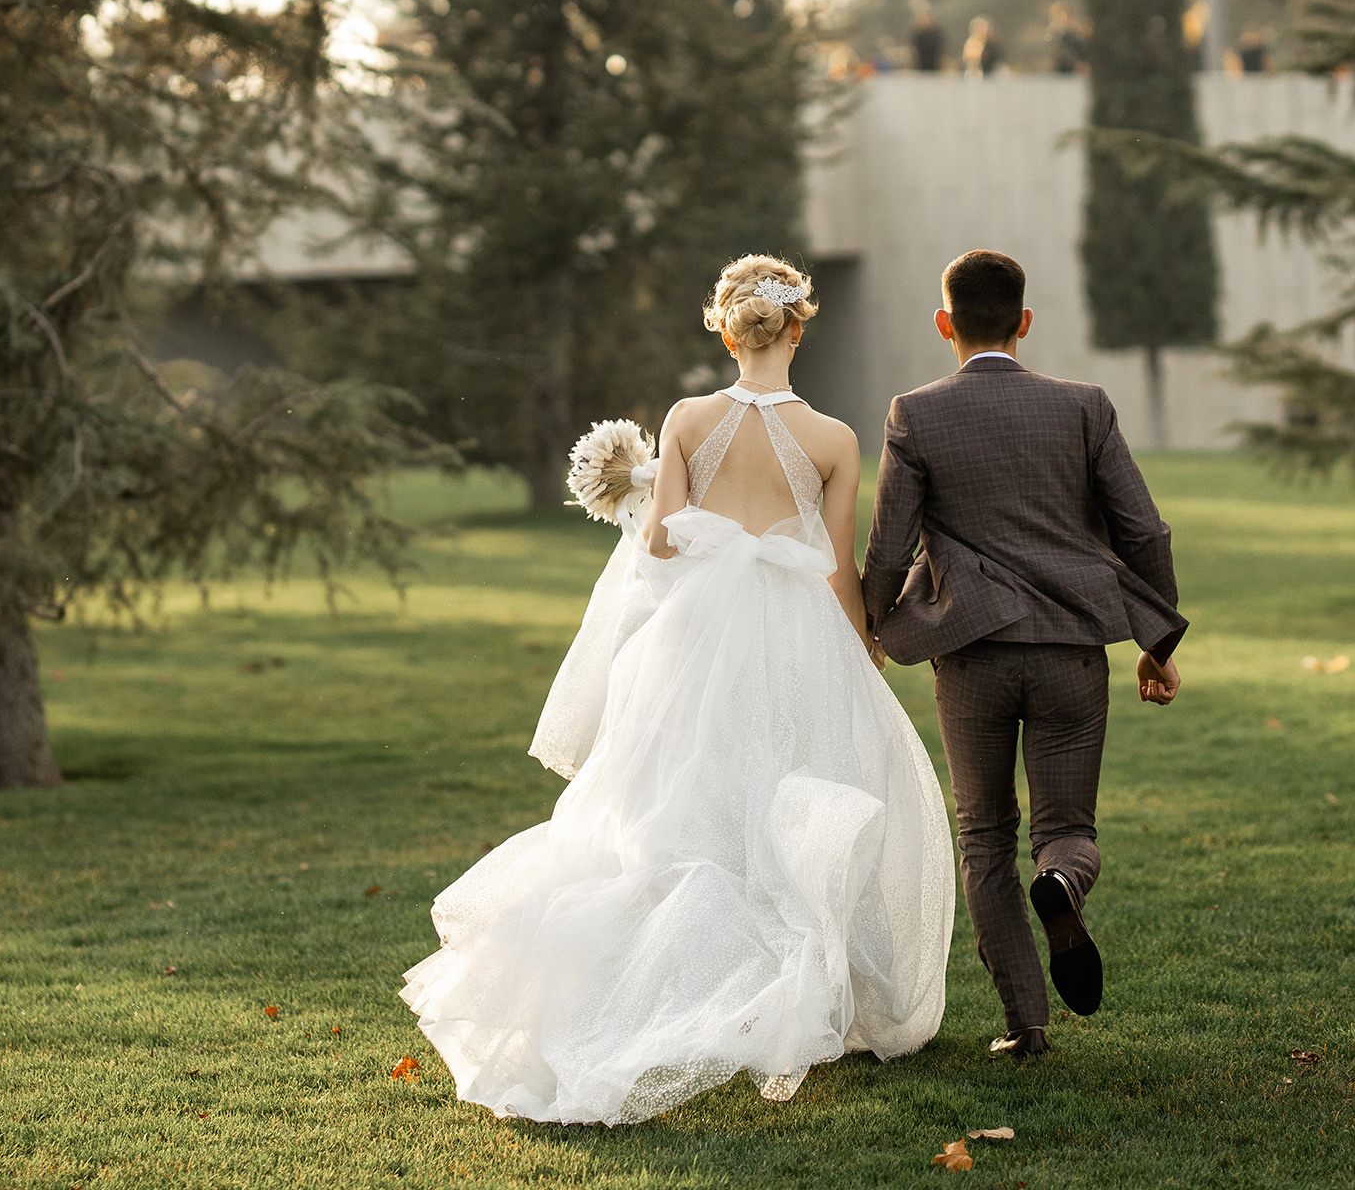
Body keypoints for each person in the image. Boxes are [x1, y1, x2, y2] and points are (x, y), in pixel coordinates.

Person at [402, 255, 955, 1125]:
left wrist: (654, 491)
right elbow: (838, 566)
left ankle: (664, 982)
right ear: (797, 329)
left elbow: (660, 542)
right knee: (796, 782)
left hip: (698, 637)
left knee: (681, 796)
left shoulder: (690, 420)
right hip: (797, 638)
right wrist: (862, 649)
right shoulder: (834, 439)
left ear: (728, 332)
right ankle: (796, 981)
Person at [862, 250, 1185, 1060]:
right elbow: (1144, 531)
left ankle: (1025, 1024)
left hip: (972, 658)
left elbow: (890, 548)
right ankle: (1063, 882)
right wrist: (1157, 643)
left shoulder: (915, 414)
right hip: (1072, 653)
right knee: (1067, 828)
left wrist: (870, 629)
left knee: (984, 837)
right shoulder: (1085, 406)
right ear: (1025, 322)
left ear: (945, 324)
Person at [1047, 2, 1089, 73]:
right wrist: (1077, 65)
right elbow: (1062, 54)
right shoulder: (1057, 35)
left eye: (1073, 16)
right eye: (1068, 16)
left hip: (1078, 73)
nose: (1071, 19)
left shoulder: (1077, 35)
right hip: (1063, 73)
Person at [908, 0, 946, 72]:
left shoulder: (937, 33)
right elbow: (913, 50)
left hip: (935, 67)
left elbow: (941, 50)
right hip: (920, 67)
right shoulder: (917, 34)